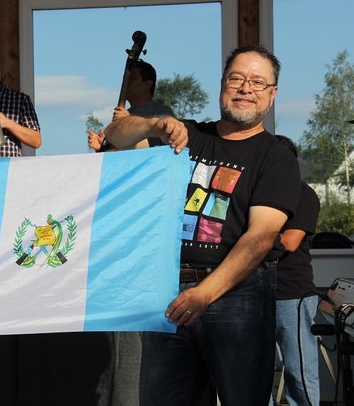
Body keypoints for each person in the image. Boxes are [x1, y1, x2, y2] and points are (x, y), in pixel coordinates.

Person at [105, 45, 301, 405]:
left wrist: (204, 294)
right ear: (222, 84)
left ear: (272, 96)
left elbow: (259, 239)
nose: (245, 88)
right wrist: (153, 123)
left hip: (237, 296)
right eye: (237, 78)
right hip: (168, 291)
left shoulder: (275, 158)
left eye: (258, 82)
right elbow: (114, 135)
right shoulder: (186, 135)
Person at [273, 134, 321, 406]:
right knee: (251, 373)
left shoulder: (304, 194)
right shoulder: (260, 193)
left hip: (292, 296)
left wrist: (250, 241)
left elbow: (290, 241)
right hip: (254, 293)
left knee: (300, 374)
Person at [87, 60, 174, 152]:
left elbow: (164, 146)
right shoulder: (125, 113)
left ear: (148, 84)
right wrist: (102, 147)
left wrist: (128, 122)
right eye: (125, 79)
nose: (126, 83)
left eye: (132, 78)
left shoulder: (161, 111)